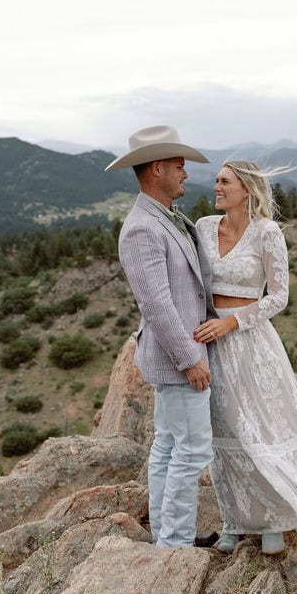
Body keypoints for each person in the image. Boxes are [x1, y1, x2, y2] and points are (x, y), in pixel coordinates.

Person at [192, 160, 297, 555]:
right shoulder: (204, 227)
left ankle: (274, 519)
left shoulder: (267, 233)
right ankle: (235, 521)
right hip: (208, 339)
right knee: (223, 431)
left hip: (251, 341)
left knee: (262, 427)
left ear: (246, 189)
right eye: (217, 181)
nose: (216, 186)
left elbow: (279, 296)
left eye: (224, 181)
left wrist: (232, 322)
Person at [108, 125, 218, 548]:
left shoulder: (167, 219)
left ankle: (169, 534)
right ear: (157, 169)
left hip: (179, 355)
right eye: (179, 166)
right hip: (177, 360)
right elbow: (156, 305)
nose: (185, 173)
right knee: (189, 452)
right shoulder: (141, 228)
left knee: (169, 446)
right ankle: (174, 544)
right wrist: (190, 359)